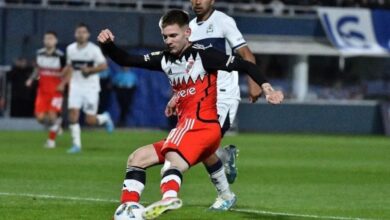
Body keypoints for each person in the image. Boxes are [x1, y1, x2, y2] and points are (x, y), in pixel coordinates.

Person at [98, 9, 283, 219]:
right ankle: (128, 208)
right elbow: (127, 60)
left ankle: (168, 199)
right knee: (136, 158)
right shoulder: (164, 59)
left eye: (173, 35)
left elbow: (245, 64)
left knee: (171, 161)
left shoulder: (205, 55)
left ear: (187, 33)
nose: (168, 41)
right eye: (165, 36)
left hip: (203, 126)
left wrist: (267, 89)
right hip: (190, 130)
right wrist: (108, 45)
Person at [165, 0, 264, 210]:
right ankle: (225, 171)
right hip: (200, 96)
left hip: (224, 94)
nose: (197, 1)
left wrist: (254, 82)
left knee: (201, 145)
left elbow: (246, 54)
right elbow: (187, 68)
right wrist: (177, 96)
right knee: (203, 146)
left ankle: (226, 194)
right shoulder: (189, 28)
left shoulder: (224, 22)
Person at [62, 23, 114, 154]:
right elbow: (70, 66)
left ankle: (104, 118)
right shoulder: (70, 49)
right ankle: (76, 145)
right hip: (75, 86)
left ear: (88, 35)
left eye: (83, 32)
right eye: (78, 32)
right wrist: (63, 80)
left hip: (90, 87)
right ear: (75, 34)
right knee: (73, 115)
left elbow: (104, 66)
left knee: (89, 120)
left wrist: (90, 70)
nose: (81, 34)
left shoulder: (94, 50)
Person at [25, 31, 66, 148]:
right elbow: (37, 69)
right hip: (42, 91)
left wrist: (63, 83)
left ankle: (51, 142)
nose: (49, 41)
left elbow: (67, 71)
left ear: (55, 41)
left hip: (56, 91)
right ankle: (57, 125)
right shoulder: (39, 53)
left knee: (52, 115)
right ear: (44, 41)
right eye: (47, 39)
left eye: (51, 39)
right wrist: (31, 79)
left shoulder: (60, 56)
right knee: (40, 118)